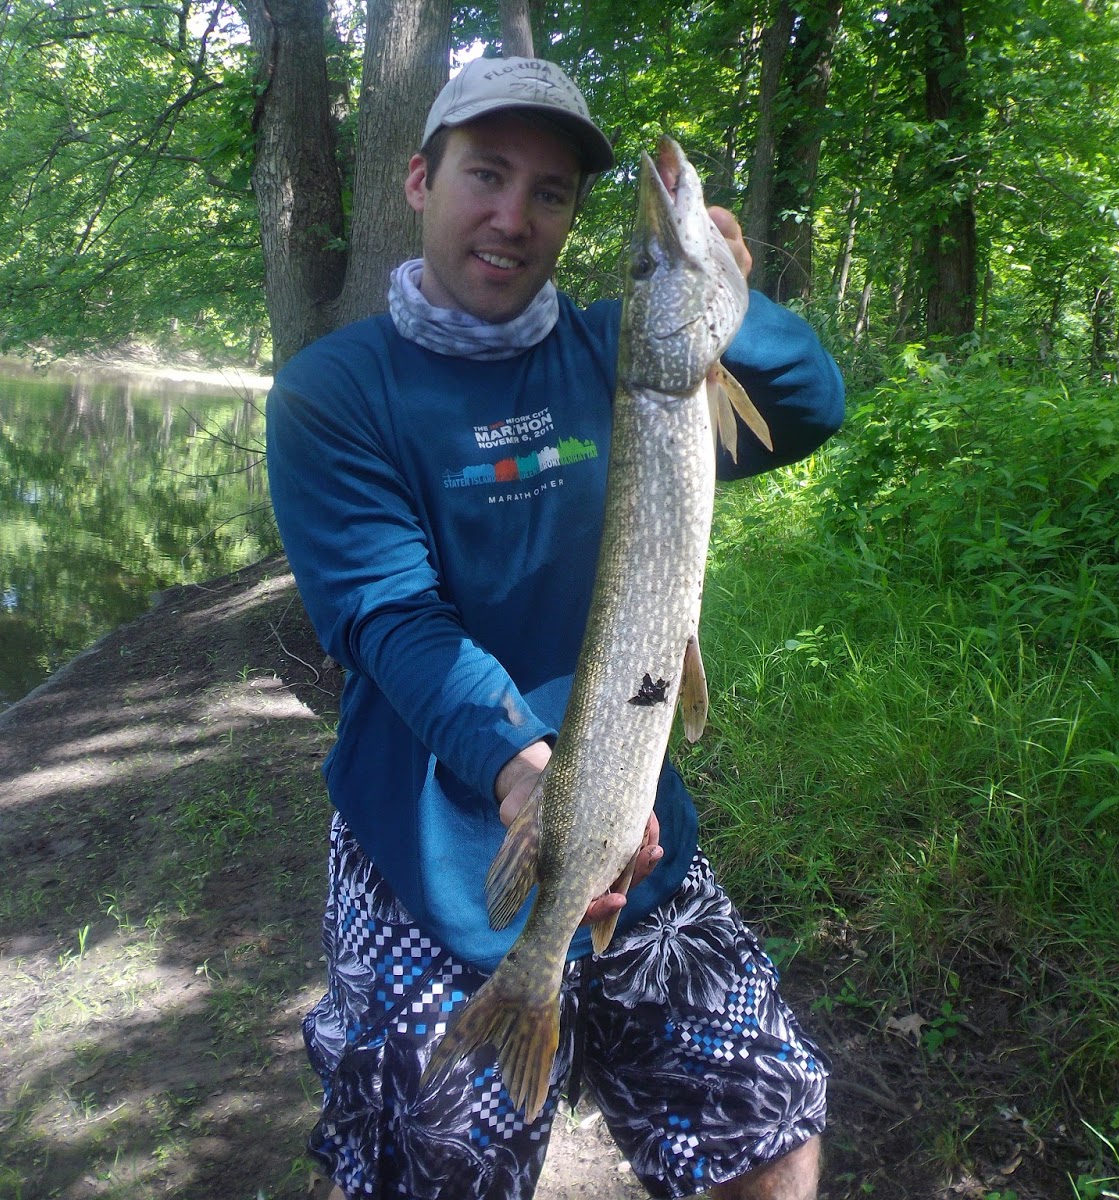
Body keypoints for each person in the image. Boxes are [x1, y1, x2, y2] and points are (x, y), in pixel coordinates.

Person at [265, 54, 846, 1200]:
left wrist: (727, 290)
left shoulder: (616, 348)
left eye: (549, 193)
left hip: (634, 824)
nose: (512, 216)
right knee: (428, 1176)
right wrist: (519, 768)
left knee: (767, 1137)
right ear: (422, 179)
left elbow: (810, 408)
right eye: (487, 175)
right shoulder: (337, 390)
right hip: (435, 844)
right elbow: (389, 620)